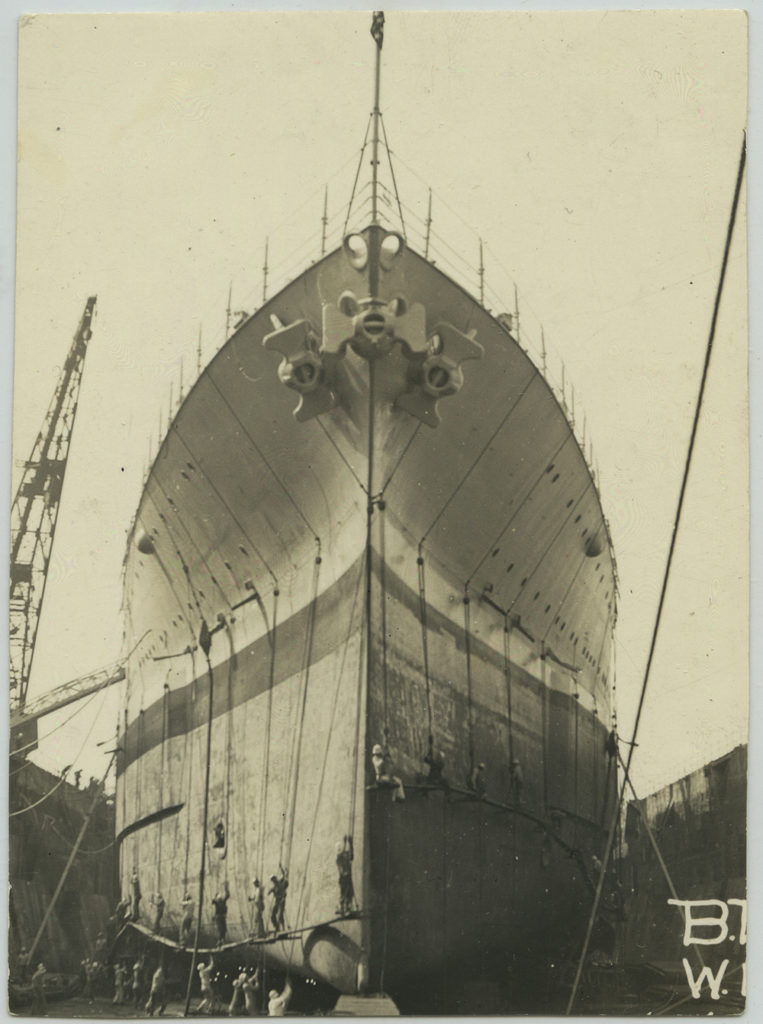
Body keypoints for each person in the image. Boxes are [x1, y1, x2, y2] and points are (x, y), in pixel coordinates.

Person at [336, 835, 355, 916]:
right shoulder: (339, 859)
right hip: (343, 879)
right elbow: (341, 868)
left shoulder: (345, 856)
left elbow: (351, 855)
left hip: (347, 878)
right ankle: (343, 908)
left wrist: (350, 843)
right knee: (344, 893)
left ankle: (348, 908)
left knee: (349, 893)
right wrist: (345, 843)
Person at [269, 867, 288, 933]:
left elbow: (284, 893)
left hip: (281, 901)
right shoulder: (274, 886)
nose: (273, 881)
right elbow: (272, 889)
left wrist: (281, 868)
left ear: (275, 878)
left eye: (273, 879)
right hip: (277, 902)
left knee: (280, 915)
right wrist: (270, 891)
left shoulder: (280, 883)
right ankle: (277, 927)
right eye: (272, 880)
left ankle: (283, 929)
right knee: (272, 915)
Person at [212, 880, 231, 945]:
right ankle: (220, 941)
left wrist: (226, 888)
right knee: (221, 930)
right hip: (219, 917)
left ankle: (222, 940)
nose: (220, 900)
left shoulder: (222, 901)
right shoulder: (217, 902)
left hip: (222, 917)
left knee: (224, 930)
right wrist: (215, 897)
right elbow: (213, 901)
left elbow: (227, 895)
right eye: (219, 899)